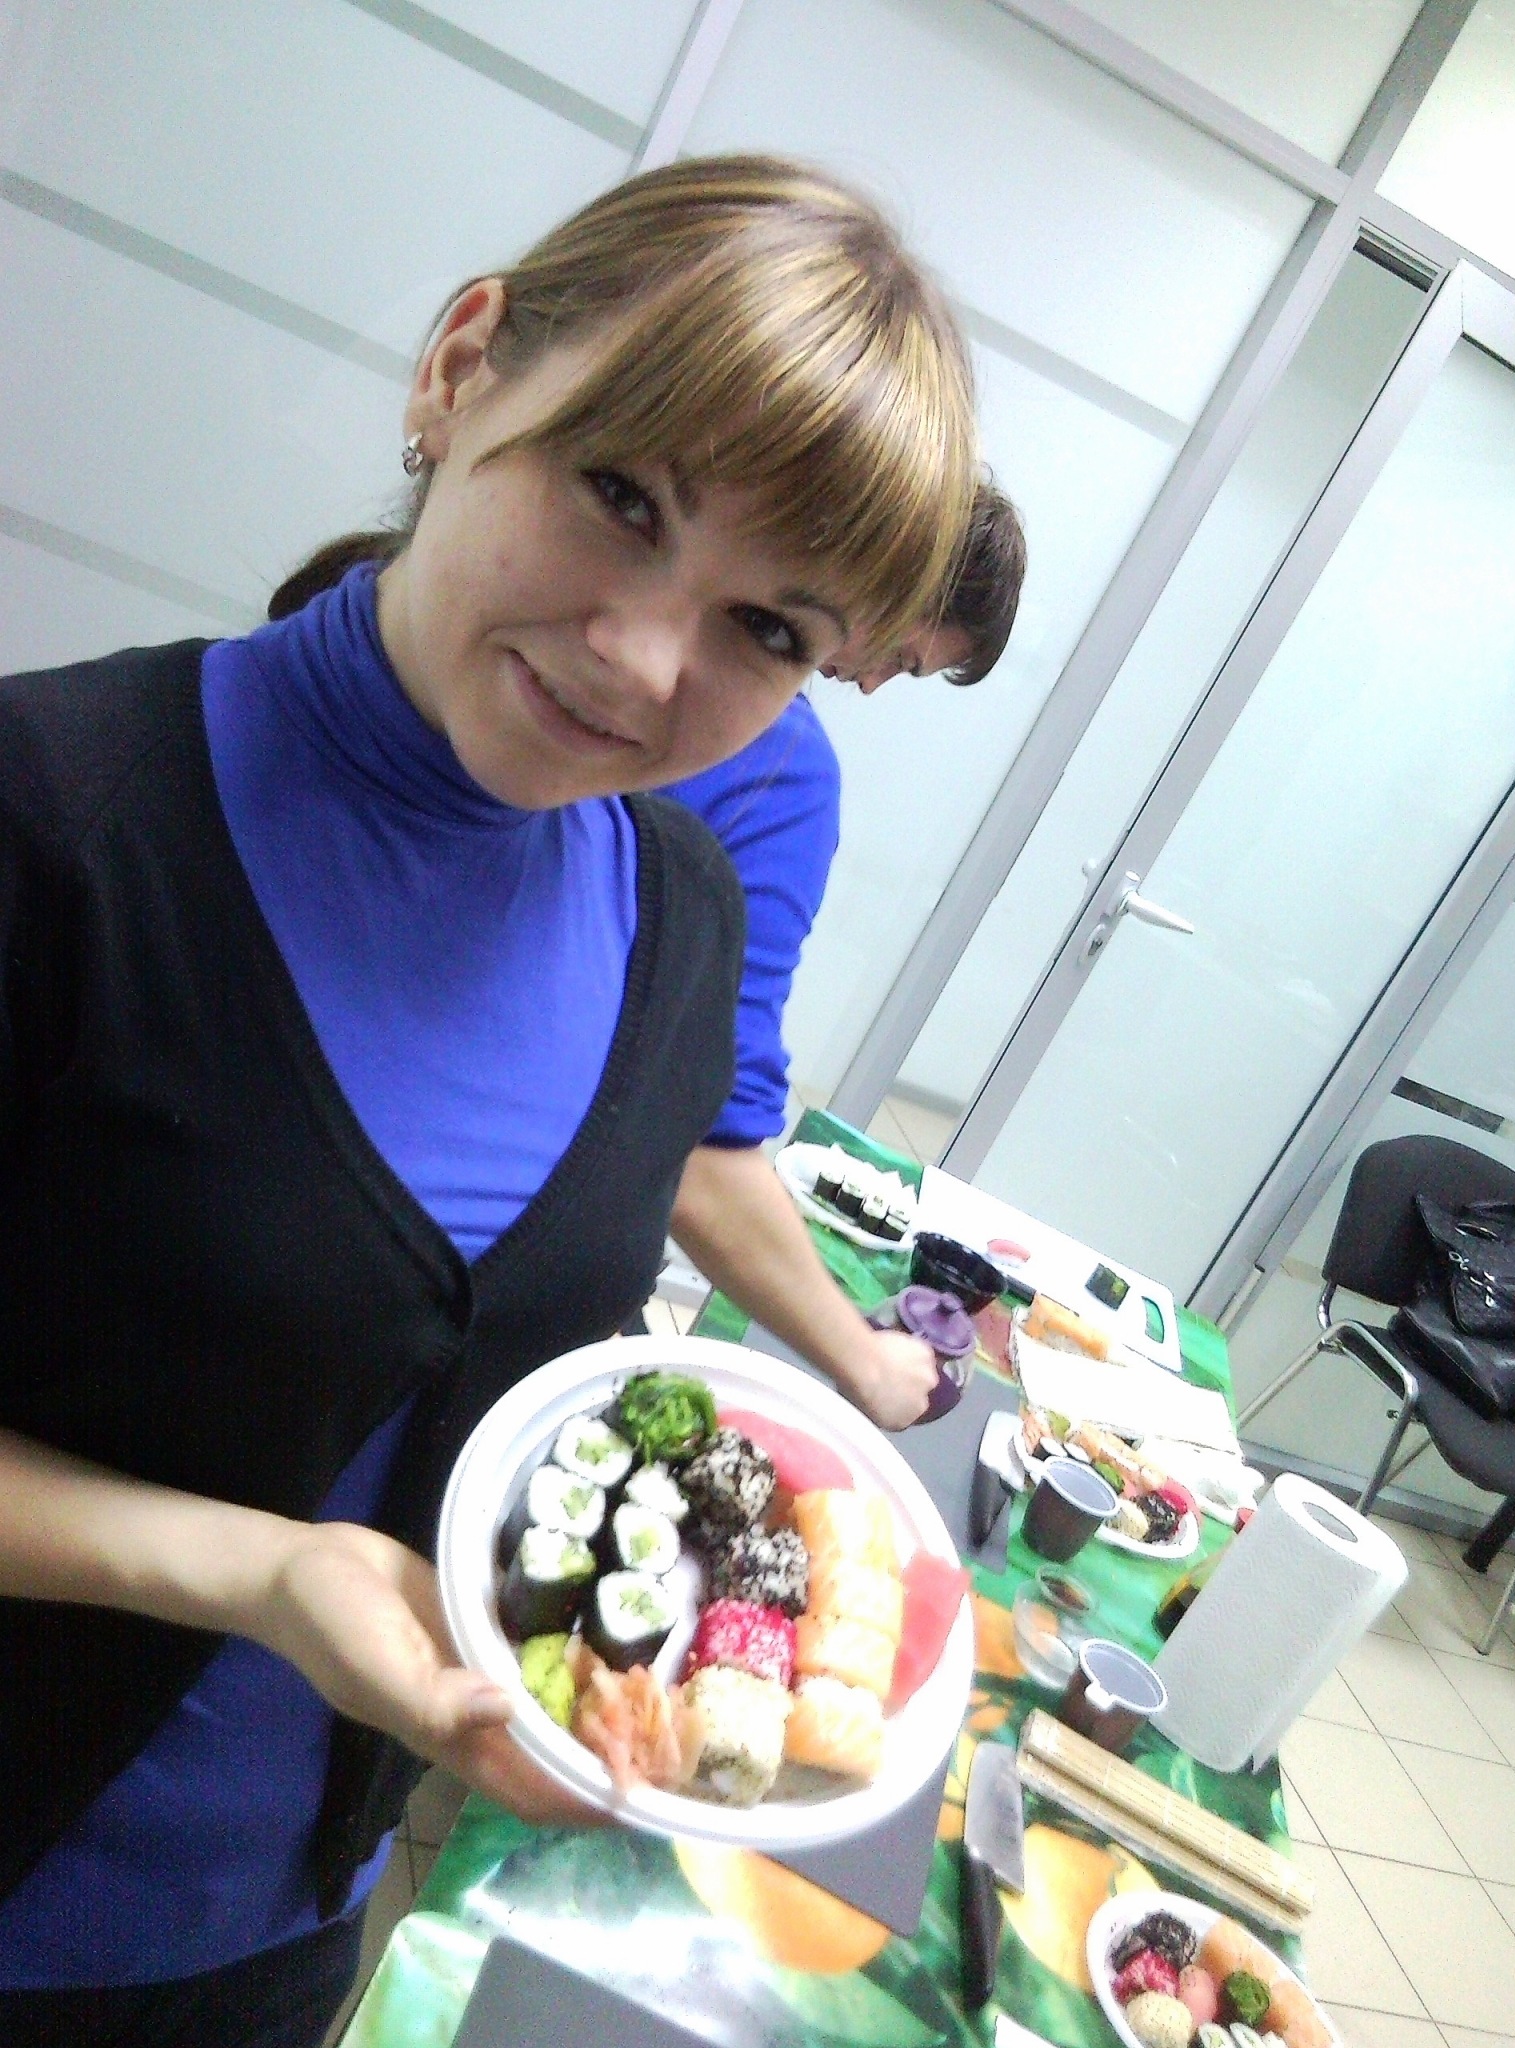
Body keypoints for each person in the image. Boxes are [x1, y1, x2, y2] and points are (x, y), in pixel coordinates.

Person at [0, 154, 977, 2047]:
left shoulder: (676, 919)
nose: (644, 660)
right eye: (623, 497)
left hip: (288, 1937)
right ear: (462, 368)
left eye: (770, 630)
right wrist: (259, 1570)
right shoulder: (55, 826)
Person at [658, 482, 1027, 1429]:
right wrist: (865, 1361)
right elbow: (701, 1132)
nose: (866, 684)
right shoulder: (779, 765)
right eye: (899, 658)